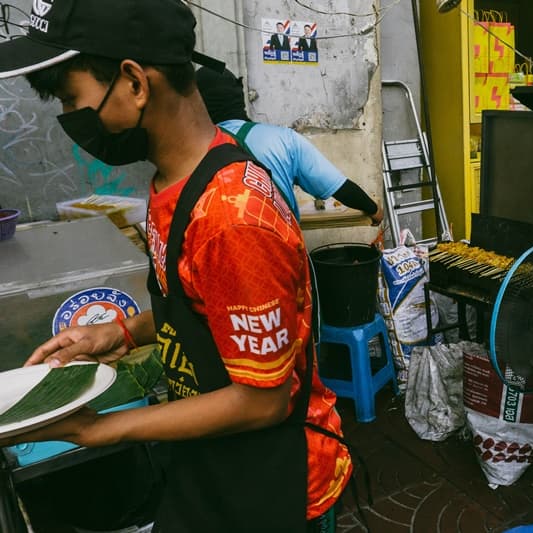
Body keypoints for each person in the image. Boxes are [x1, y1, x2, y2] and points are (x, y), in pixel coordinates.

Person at [0, 1, 351, 531]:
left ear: (135, 83)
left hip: (279, 484)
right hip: (217, 463)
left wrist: (100, 430)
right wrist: (120, 333)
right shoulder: (175, 181)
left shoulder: (232, 218)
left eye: (72, 98)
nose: (70, 116)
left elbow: (263, 402)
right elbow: (201, 307)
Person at [195, 66, 382, 224]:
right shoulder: (283, 139)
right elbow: (341, 188)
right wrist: (374, 211)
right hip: (279, 247)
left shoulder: (190, 151)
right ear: (238, 94)